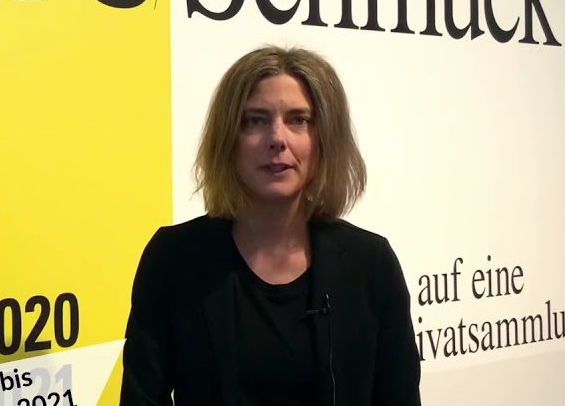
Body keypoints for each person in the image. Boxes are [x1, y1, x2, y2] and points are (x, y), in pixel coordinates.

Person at [120, 46, 421, 406]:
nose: (278, 138)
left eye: (299, 120)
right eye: (255, 120)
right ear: (228, 139)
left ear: (324, 139)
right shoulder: (173, 258)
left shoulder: (370, 264)